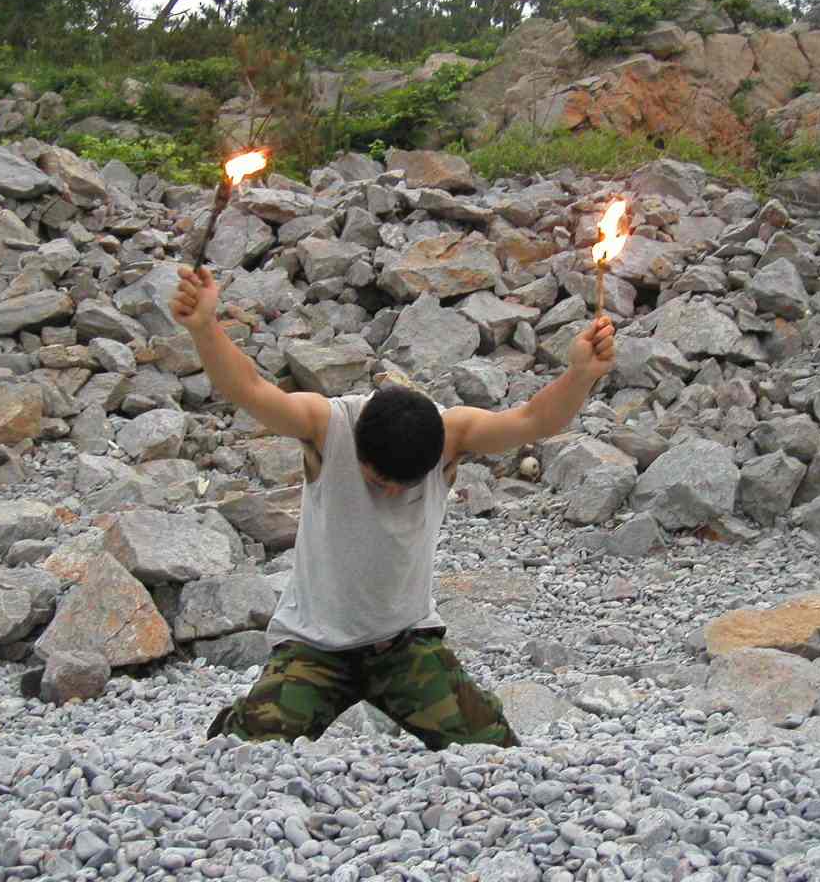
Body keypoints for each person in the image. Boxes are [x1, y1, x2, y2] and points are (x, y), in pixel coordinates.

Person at [170, 265, 616, 750]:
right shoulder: (327, 427)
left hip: (404, 644)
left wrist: (580, 373)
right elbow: (252, 390)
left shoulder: (452, 435)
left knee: (490, 747)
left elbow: (532, 419)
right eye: (377, 481)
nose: (387, 495)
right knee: (246, 747)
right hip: (314, 647)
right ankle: (244, 715)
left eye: (402, 486)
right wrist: (204, 327)